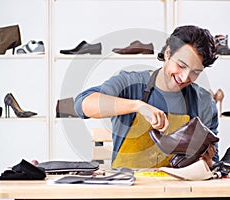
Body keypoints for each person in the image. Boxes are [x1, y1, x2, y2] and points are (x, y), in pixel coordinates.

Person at [74, 25, 219, 168]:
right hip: (131, 186)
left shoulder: (204, 102)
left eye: (195, 72)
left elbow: (213, 162)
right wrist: (137, 106)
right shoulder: (130, 84)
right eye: (181, 66)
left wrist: (207, 161)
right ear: (168, 53)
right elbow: (82, 105)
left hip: (179, 189)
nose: (185, 77)